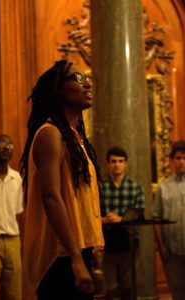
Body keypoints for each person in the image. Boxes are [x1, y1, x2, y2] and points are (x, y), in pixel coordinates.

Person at [20, 59, 104, 300]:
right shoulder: (50, 134)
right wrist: (77, 259)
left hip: (76, 249)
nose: (87, 84)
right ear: (58, 88)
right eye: (78, 79)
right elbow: (51, 196)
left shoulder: (75, 138)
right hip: (59, 255)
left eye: (87, 78)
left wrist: (89, 253)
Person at [100, 146, 145, 300]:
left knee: (129, 289)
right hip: (107, 245)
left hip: (129, 245)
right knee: (110, 290)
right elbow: (93, 216)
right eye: (113, 161)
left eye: (120, 161)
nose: (117, 165)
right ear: (108, 164)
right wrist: (104, 219)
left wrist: (120, 219)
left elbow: (140, 215)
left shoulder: (135, 186)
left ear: (126, 164)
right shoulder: (101, 187)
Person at [0, 134, 23, 300]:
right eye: (2, 144)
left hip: (13, 241)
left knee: (14, 292)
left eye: (10, 145)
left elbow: (17, 209)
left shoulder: (16, 178)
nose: (7, 148)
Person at [153, 140, 185, 300]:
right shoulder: (163, 187)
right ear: (173, 161)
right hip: (171, 251)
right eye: (178, 158)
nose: (182, 162)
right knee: (177, 291)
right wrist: (161, 246)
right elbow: (156, 218)